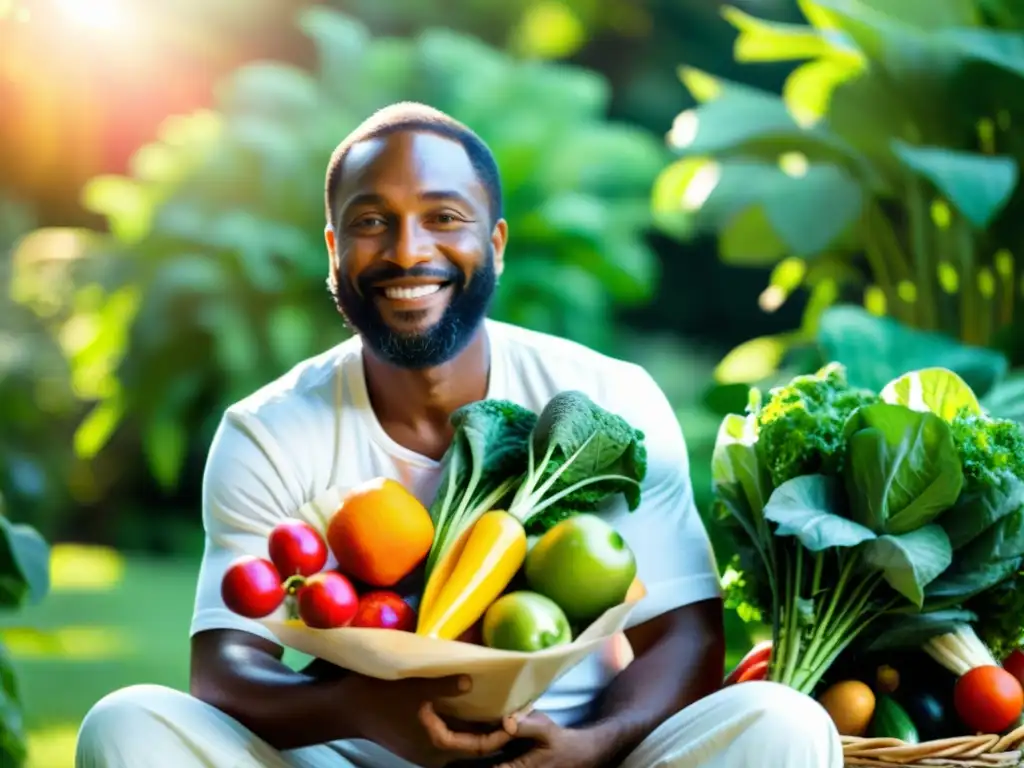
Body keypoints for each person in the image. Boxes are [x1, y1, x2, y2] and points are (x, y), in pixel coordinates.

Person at [75, 102, 842, 768]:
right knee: (129, 724)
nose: (408, 250)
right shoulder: (269, 431)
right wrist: (363, 712)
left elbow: (683, 639)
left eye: (443, 218)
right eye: (372, 222)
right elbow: (226, 671)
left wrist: (595, 745)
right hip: (353, 755)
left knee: (782, 723)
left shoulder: (608, 397)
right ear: (335, 251)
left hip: (574, 756)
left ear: (497, 244)